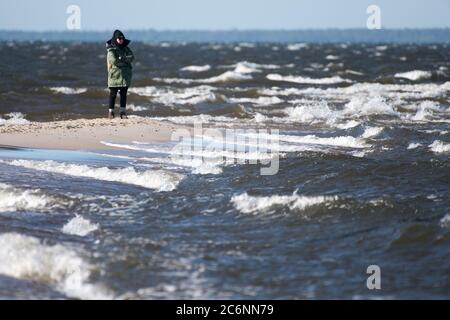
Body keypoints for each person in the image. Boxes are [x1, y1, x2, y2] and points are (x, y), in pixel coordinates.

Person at [106, 30, 134, 119]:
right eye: (119, 38)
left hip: (125, 76)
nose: (121, 40)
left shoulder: (126, 48)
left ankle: (122, 112)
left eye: (122, 38)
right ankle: (111, 112)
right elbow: (114, 61)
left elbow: (132, 57)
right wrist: (125, 61)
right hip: (114, 75)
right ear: (115, 39)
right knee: (113, 95)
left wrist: (122, 58)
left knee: (123, 94)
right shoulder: (111, 49)